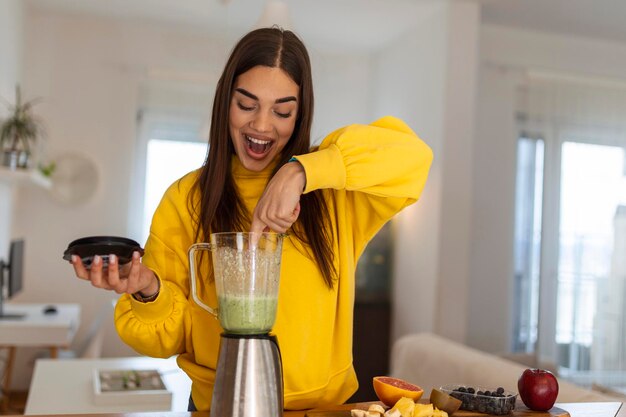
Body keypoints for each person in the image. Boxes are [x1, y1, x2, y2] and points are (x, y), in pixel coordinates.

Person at [70, 27, 433, 411]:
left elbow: (414, 158)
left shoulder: (332, 194)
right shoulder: (186, 199)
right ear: (225, 101)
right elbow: (167, 338)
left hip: (322, 410)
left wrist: (301, 172)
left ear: (300, 113)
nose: (261, 125)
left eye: (282, 111)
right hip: (220, 407)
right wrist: (146, 288)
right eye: (247, 105)